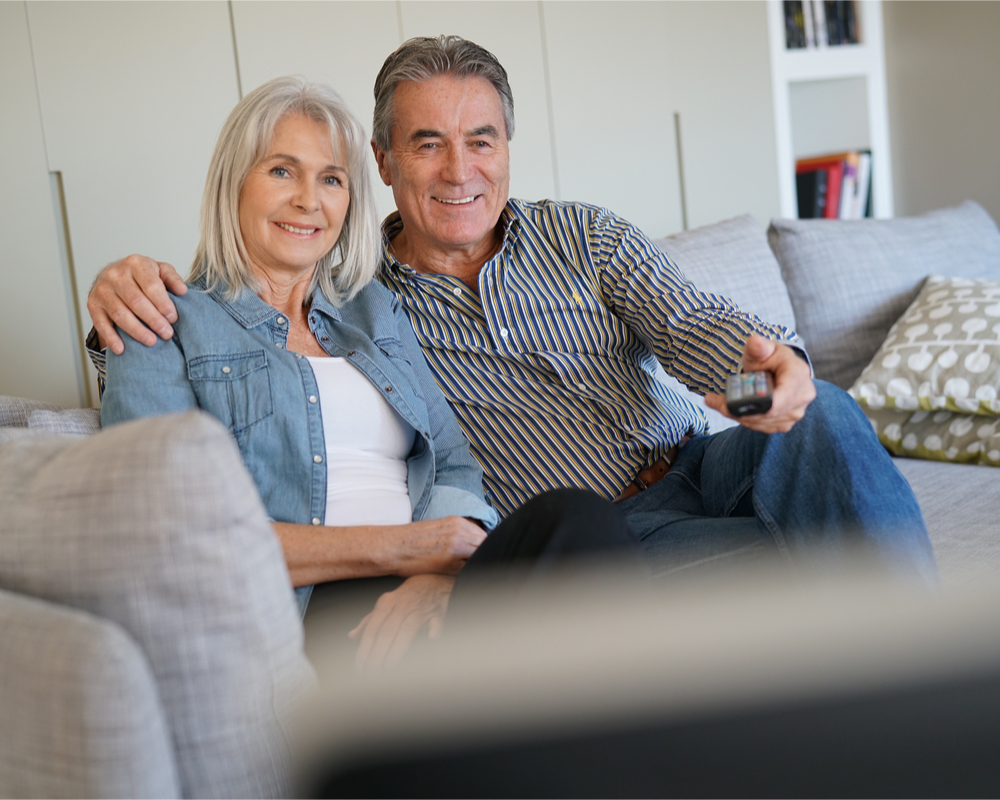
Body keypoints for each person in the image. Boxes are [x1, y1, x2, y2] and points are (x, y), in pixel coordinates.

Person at [89, 37, 936, 584]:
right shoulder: (363, 307)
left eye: (481, 140)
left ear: (507, 149)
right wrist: (117, 299)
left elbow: (694, 325)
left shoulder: (584, 237)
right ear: (383, 161)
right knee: (802, 570)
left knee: (823, 412)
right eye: (428, 143)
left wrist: (769, 373)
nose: (460, 171)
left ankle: (929, 690)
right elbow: (248, 300)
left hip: (707, 454)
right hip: (607, 534)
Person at [99, 75, 639, 670]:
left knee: (580, 520)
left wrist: (437, 576)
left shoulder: (372, 311)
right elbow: (169, 540)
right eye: (282, 171)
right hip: (314, 605)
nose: (310, 200)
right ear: (234, 182)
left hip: (428, 580)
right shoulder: (158, 319)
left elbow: (453, 460)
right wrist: (407, 550)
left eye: (331, 179)